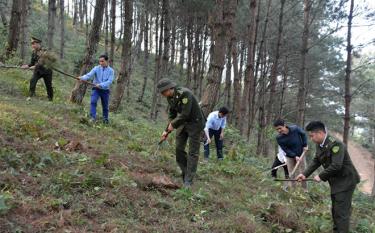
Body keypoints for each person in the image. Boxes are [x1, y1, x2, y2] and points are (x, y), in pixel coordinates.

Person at [297, 121, 360, 233]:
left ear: (320, 133)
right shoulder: (320, 144)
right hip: (336, 182)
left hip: (346, 180)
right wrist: (304, 174)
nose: (311, 139)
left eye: (312, 136)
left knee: (341, 213)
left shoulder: (336, 144)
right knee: (335, 211)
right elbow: (316, 160)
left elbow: (336, 165)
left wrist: (320, 176)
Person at [157, 78, 205, 188]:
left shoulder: (185, 94)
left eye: (163, 92)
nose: (162, 94)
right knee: (179, 149)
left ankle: (188, 180)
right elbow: (172, 113)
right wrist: (166, 130)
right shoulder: (170, 97)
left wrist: (173, 125)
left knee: (193, 152)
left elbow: (185, 114)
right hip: (183, 123)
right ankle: (185, 172)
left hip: (195, 123)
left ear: (169, 88)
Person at [78, 54, 114, 123]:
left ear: (107, 61)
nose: (101, 63)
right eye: (100, 61)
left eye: (102, 61)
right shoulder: (96, 68)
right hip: (96, 89)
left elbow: (110, 81)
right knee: (93, 102)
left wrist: (101, 85)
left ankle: (105, 120)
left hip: (105, 90)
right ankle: (92, 118)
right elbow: (89, 75)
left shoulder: (111, 71)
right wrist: (82, 78)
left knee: (105, 107)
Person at [273, 119, 308, 188]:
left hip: (301, 154)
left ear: (284, 125)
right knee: (291, 173)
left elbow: (303, 134)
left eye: (280, 128)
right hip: (289, 156)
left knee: (303, 172)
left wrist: (305, 145)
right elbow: (285, 149)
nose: (279, 131)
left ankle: (305, 190)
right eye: (277, 129)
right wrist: (294, 156)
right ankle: (293, 190)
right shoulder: (279, 138)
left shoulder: (295, 129)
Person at [21, 37, 53, 101]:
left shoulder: (44, 51)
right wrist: (27, 66)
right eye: (32, 44)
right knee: (32, 80)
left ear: (38, 44)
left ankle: (50, 99)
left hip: (47, 72)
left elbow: (42, 62)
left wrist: (35, 66)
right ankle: (30, 96)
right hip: (38, 71)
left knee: (48, 86)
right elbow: (31, 63)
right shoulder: (33, 52)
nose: (33, 45)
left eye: (34, 43)